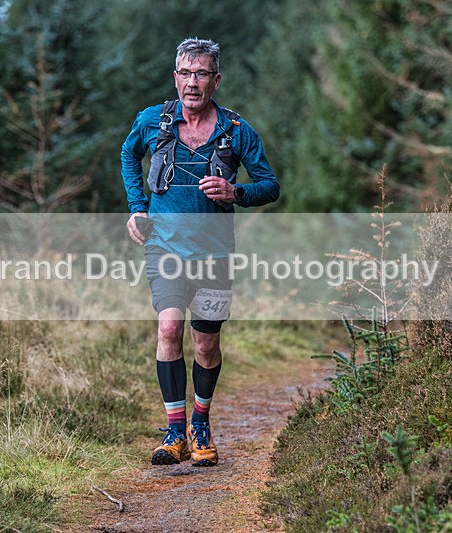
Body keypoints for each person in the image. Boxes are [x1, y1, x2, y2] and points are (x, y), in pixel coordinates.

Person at [121, 37, 279, 466]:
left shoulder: (236, 131)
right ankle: (174, 432)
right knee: (170, 329)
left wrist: (236, 192)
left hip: (214, 255)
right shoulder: (153, 121)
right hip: (165, 249)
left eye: (202, 73)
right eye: (186, 73)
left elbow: (270, 185)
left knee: (205, 344)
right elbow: (128, 153)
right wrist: (137, 208)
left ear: (216, 80)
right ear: (176, 78)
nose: (193, 82)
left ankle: (201, 423)